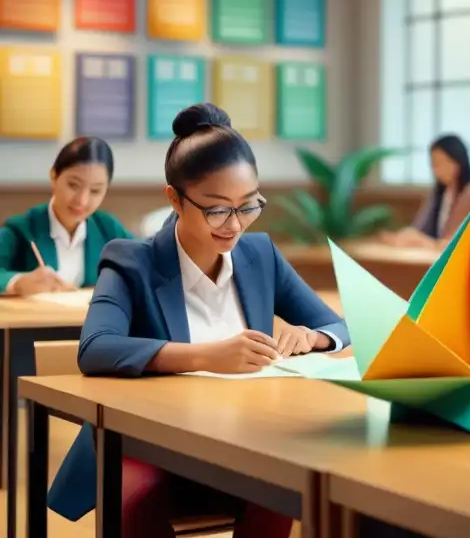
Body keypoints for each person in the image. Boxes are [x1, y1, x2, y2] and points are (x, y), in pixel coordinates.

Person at [47, 103, 350, 536]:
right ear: (174, 198)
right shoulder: (132, 261)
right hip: (155, 449)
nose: (235, 225)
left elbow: (339, 326)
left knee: (291, 481)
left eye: (248, 206)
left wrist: (312, 338)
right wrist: (209, 355)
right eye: (217, 209)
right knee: (136, 496)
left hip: (247, 443)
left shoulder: (260, 255)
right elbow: (96, 348)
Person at [0, 136, 131, 295]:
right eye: (73, 185)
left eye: (95, 191)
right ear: (54, 176)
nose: (82, 200)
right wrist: (18, 282)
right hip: (38, 319)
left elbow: (147, 263)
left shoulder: (108, 229)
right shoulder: (22, 229)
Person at [379, 134, 470, 249]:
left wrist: (427, 243)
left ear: (457, 163)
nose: (436, 170)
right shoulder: (438, 194)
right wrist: (405, 236)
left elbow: (459, 242)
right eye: (433, 164)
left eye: (440, 163)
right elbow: (419, 228)